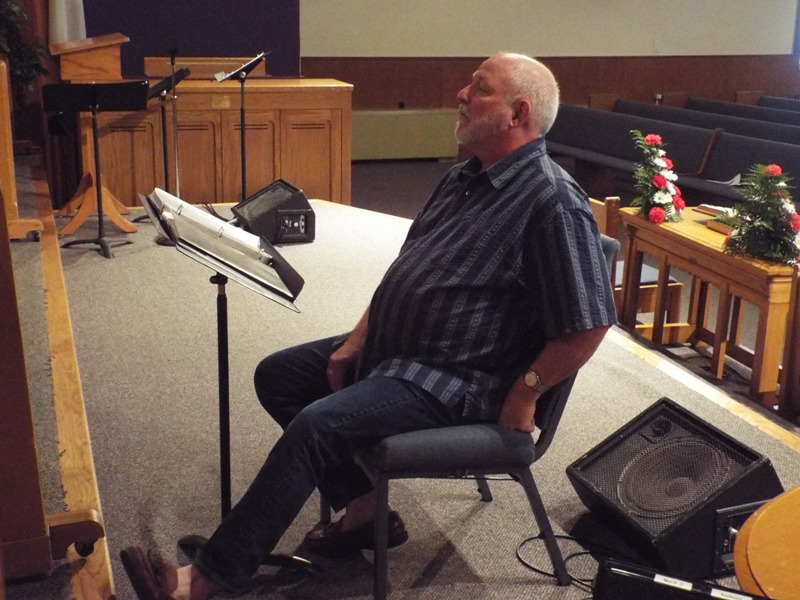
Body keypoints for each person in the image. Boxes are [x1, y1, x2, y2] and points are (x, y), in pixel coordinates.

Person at [121, 52, 617, 600]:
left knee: (318, 425)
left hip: (456, 379)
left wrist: (526, 394)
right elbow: (407, 268)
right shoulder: (464, 177)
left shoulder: (553, 202)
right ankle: (363, 512)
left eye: (479, 88)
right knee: (279, 376)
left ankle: (206, 579)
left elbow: (588, 324)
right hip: (398, 352)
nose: (461, 94)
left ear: (517, 113)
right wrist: (358, 338)